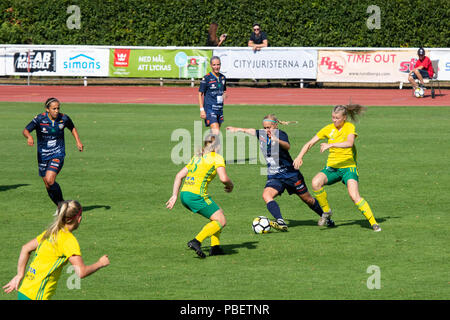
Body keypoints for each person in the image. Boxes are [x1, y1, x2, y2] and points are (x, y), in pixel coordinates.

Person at [226, 114, 332, 231]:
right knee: (266, 195)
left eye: (269, 127)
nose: (266, 130)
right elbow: (251, 131)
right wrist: (237, 129)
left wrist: (276, 140)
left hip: (291, 175)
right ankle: (280, 221)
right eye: (265, 128)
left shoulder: (280, 134)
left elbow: (287, 146)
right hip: (275, 176)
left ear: (275, 126)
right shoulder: (262, 134)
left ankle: (326, 217)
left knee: (308, 200)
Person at [293, 104, 381, 232]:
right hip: (332, 169)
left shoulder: (349, 127)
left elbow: (350, 143)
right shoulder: (328, 129)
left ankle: (374, 223)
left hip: (348, 168)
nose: (334, 120)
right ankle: (327, 212)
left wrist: (331, 144)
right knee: (315, 182)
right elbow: (310, 143)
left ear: (344, 117)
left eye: (337, 118)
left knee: (354, 196)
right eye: (333, 117)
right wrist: (299, 156)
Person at [2, 200, 110, 300]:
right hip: (37, 296)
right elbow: (81, 272)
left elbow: (25, 248)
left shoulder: (51, 232)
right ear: (78, 219)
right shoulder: (69, 241)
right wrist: (100, 263)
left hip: (24, 291)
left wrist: (20, 274)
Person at [166, 134, 234, 258]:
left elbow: (179, 176)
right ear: (217, 146)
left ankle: (215, 247)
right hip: (197, 195)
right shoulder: (216, 157)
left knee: (218, 214)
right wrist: (231, 185)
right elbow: (223, 178)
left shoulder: (197, 157)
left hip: (184, 194)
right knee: (221, 221)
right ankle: (196, 241)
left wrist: (174, 195)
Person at [23, 97, 83, 206]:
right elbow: (26, 130)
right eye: (54, 109)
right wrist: (29, 137)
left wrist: (78, 141)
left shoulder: (64, 118)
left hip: (57, 153)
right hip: (42, 155)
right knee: (47, 185)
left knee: (50, 180)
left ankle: (63, 205)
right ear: (47, 109)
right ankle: (60, 206)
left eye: (58, 108)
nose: (56, 111)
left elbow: (72, 127)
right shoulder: (39, 119)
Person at [198, 56, 227, 135]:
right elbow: (200, 94)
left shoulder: (223, 78)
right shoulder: (206, 78)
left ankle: (206, 147)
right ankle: (210, 147)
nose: (216, 67)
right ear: (211, 65)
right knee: (216, 131)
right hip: (210, 109)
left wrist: (224, 95)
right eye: (214, 65)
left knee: (214, 135)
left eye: (218, 64)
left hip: (219, 109)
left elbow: (224, 90)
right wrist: (201, 110)